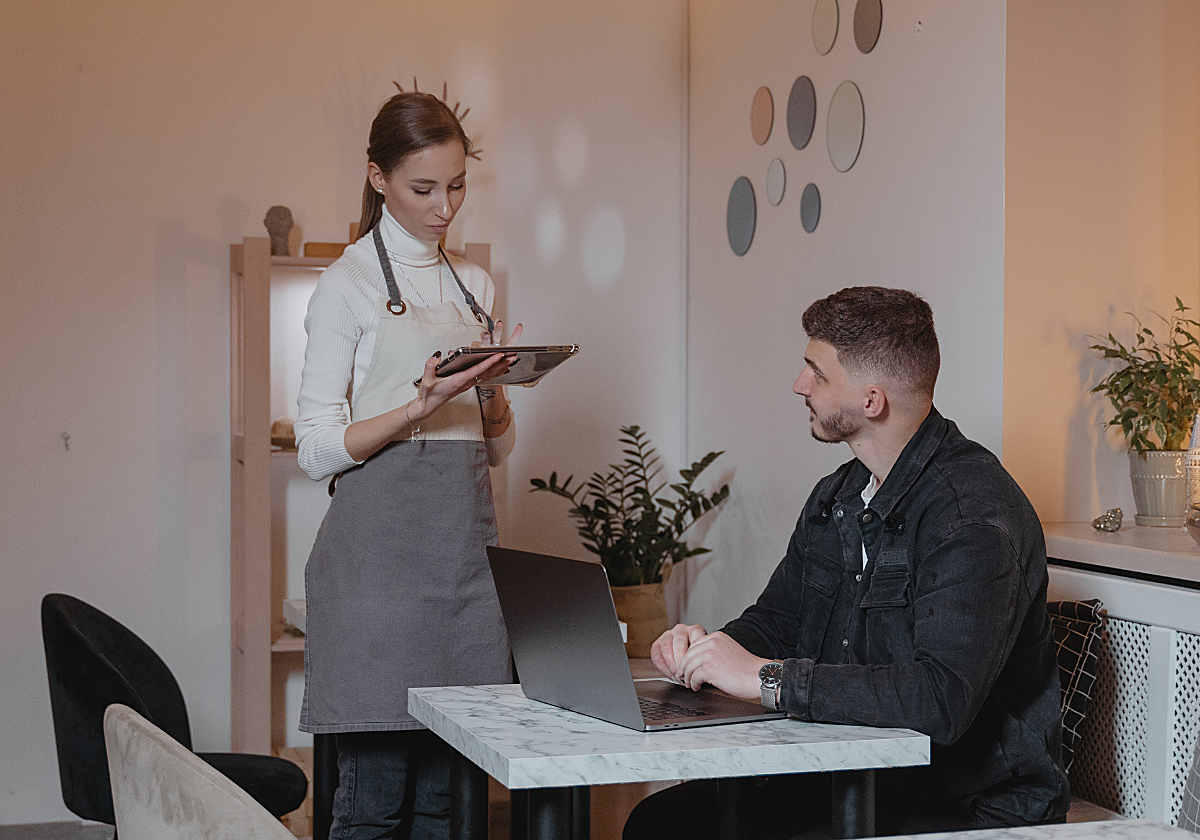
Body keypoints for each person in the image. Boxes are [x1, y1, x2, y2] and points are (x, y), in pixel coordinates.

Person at [625, 287, 1069, 838]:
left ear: (871, 401)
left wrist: (767, 679)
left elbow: (940, 698)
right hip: (848, 773)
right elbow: (779, 621)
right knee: (661, 824)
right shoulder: (837, 495)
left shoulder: (973, 516)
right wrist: (705, 653)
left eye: (817, 372)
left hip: (968, 806)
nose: (799, 384)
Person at [294, 90, 519, 840]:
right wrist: (415, 407)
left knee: (449, 812)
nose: (444, 207)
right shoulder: (347, 284)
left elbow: (492, 449)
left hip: (465, 576)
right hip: (377, 587)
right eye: (424, 188)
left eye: (457, 186)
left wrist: (494, 389)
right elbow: (315, 448)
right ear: (378, 178)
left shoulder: (476, 287)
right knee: (374, 808)